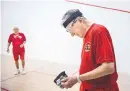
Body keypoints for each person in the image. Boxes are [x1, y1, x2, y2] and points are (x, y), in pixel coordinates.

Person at [61, 9, 119, 91]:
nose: (72, 34)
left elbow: (108, 67)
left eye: (70, 29)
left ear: (79, 20)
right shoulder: (86, 36)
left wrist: (78, 78)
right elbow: (90, 66)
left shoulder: (98, 31)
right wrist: (75, 77)